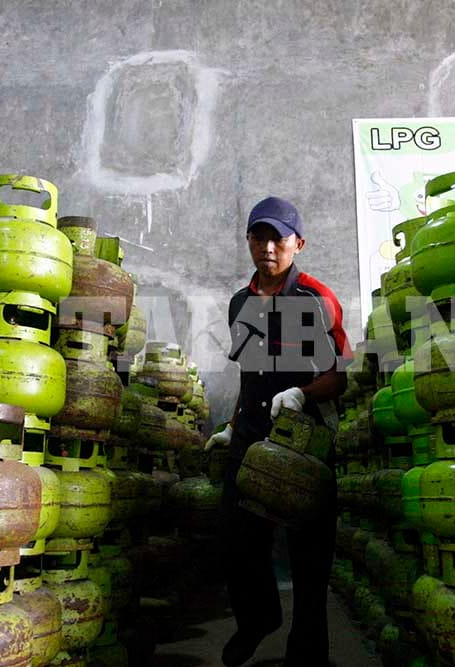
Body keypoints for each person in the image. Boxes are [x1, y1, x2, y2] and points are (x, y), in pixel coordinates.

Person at [205, 196, 351, 667]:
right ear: (248, 240)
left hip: (305, 435)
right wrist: (231, 427)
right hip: (251, 432)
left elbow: (338, 375)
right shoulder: (240, 303)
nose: (268, 247)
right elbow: (250, 374)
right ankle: (257, 619)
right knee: (235, 538)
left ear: (298, 244)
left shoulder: (314, 297)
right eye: (259, 236)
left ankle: (306, 656)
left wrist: (304, 395)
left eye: (279, 238)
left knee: (310, 559)